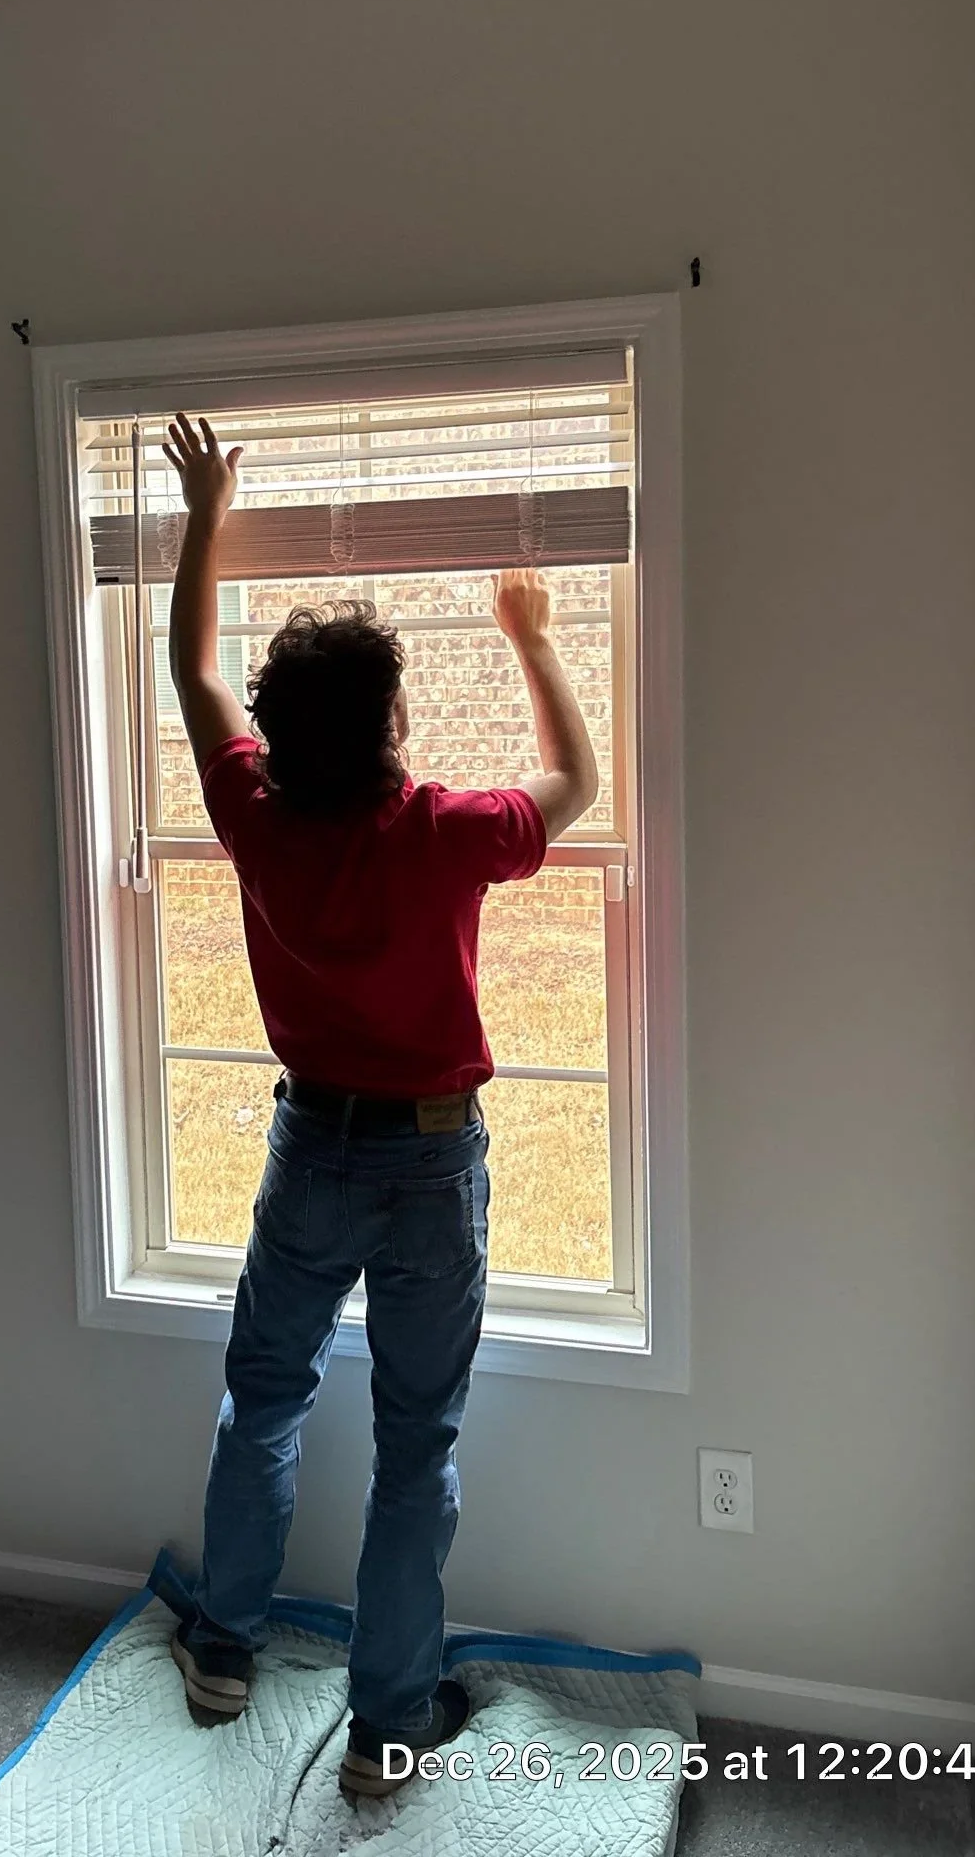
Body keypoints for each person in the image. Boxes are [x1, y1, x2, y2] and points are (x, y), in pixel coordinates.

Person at [159, 412, 599, 1800]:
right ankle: (386, 1728)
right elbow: (576, 784)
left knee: (264, 1399)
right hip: (425, 1163)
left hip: (312, 1151)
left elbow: (192, 668)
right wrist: (529, 631)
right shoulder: (447, 833)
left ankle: (224, 1650)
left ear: (284, 736)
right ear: (399, 723)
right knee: (416, 1447)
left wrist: (205, 513)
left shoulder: (254, 813)